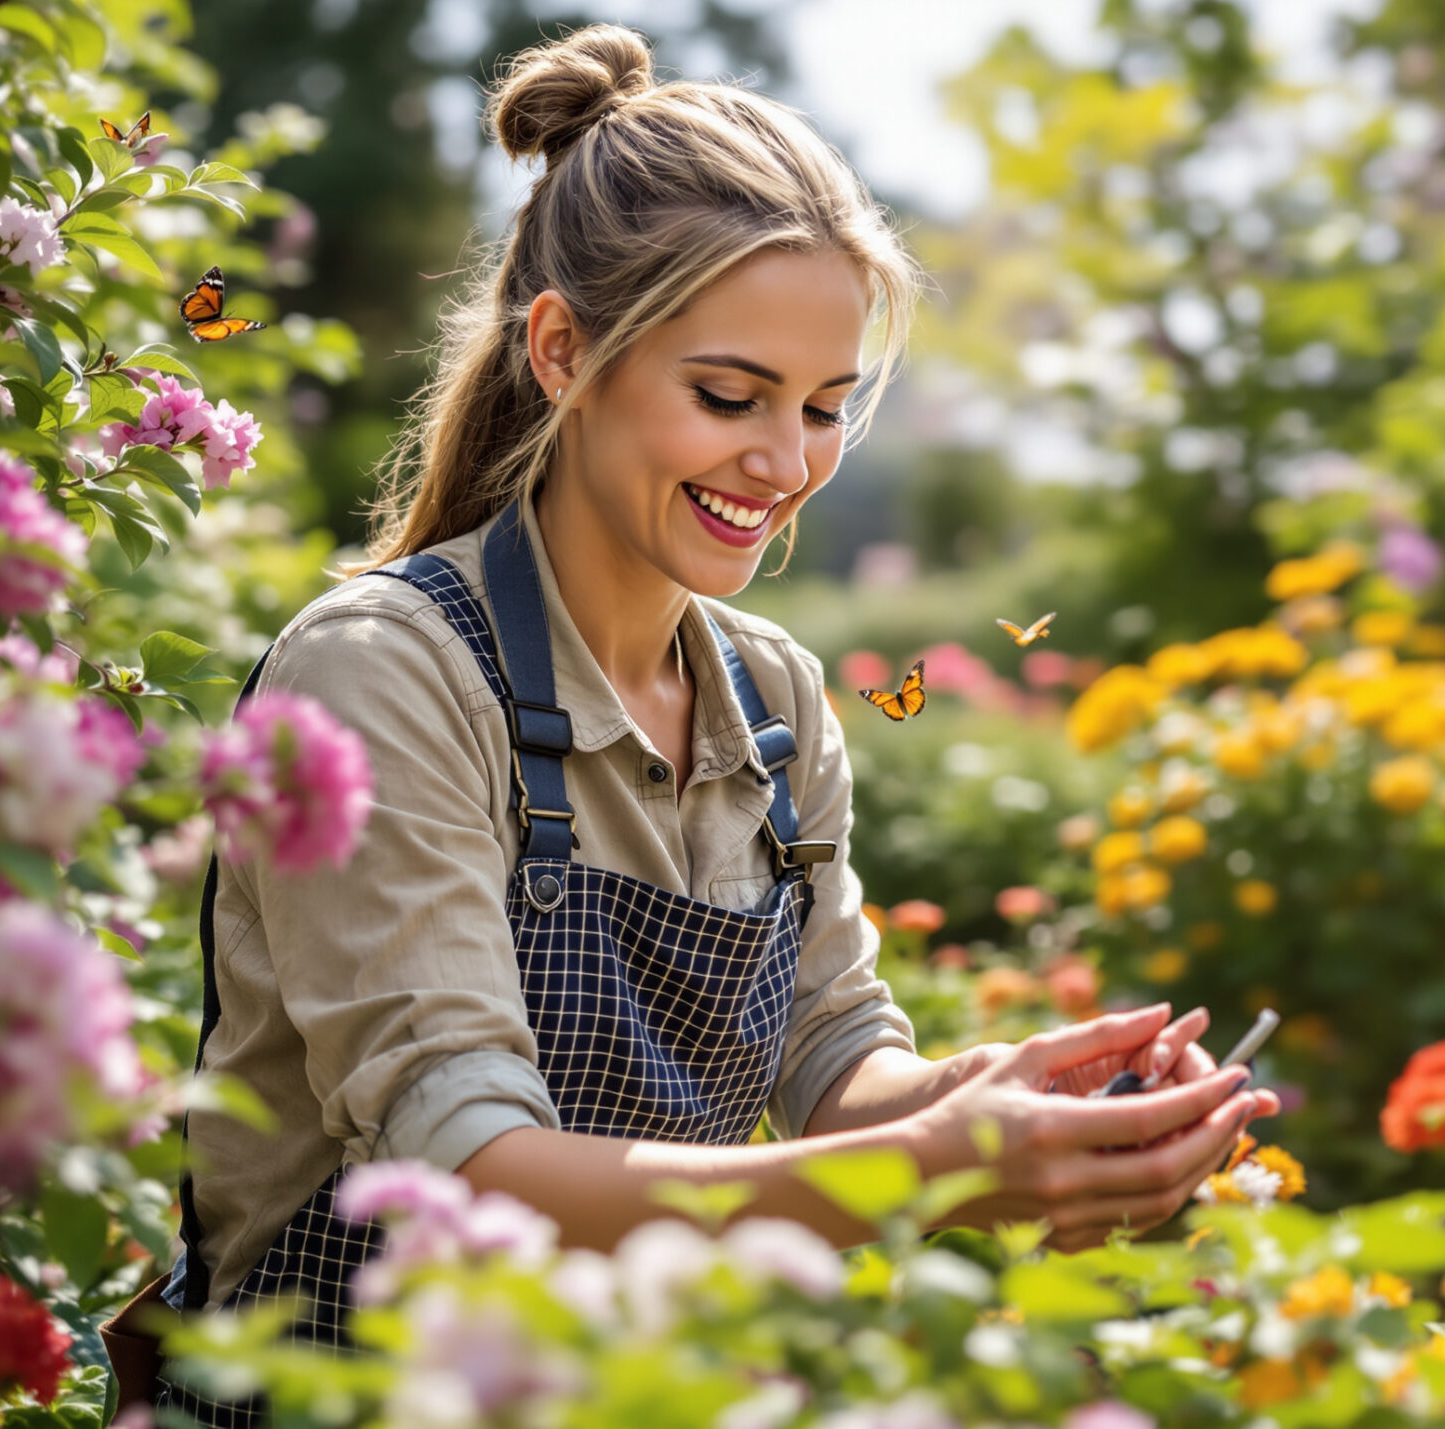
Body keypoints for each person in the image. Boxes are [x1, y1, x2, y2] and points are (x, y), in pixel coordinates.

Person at [148, 23, 1278, 1422]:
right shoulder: (386, 674)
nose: (784, 463)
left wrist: (998, 1099)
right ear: (562, 350)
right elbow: (467, 1166)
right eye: (730, 397)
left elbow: (831, 1058)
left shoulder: (779, 702)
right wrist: (942, 1166)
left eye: (824, 409)